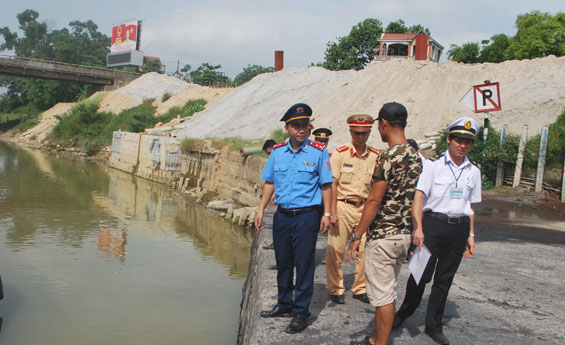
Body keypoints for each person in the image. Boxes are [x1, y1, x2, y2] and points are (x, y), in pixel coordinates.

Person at [393, 117, 481, 345]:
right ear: (449, 140)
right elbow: (419, 198)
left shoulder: (474, 171)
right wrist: (418, 228)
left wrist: (470, 235)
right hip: (433, 226)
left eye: (468, 142)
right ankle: (404, 312)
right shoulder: (432, 166)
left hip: (458, 228)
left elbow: (470, 206)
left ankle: (434, 324)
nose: (463, 145)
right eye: (459, 140)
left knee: (444, 279)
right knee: (419, 273)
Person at [345, 102, 422, 345]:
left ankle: (380, 342)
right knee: (388, 291)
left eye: (379, 124)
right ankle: (378, 338)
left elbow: (375, 200)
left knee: (383, 296)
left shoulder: (387, 157)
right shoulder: (417, 157)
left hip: (384, 236)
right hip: (404, 235)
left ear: (384, 124)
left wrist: (357, 236)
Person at [254, 103, 333, 334]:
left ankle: (300, 313)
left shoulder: (319, 151)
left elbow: (326, 184)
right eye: (295, 125)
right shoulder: (278, 152)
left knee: (305, 264)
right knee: (284, 262)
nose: (301, 129)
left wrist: (327, 214)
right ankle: (284, 303)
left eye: (304, 125)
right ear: (287, 128)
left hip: (306, 216)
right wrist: (260, 210)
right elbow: (269, 182)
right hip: (282, 216)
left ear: (309, 128)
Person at [326, 114, 380, 305]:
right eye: (356, 133)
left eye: (364, 133)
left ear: (369, 132)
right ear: (350, 131)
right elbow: (332, 183)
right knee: (336, 250)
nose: (360, 137)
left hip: (365, 208)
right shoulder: (340, 154)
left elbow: (376, 185)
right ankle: (336, 288)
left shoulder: (375, 156)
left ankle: (360, 288)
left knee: (366, 250)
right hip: (343, 205)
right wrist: (331, 212)